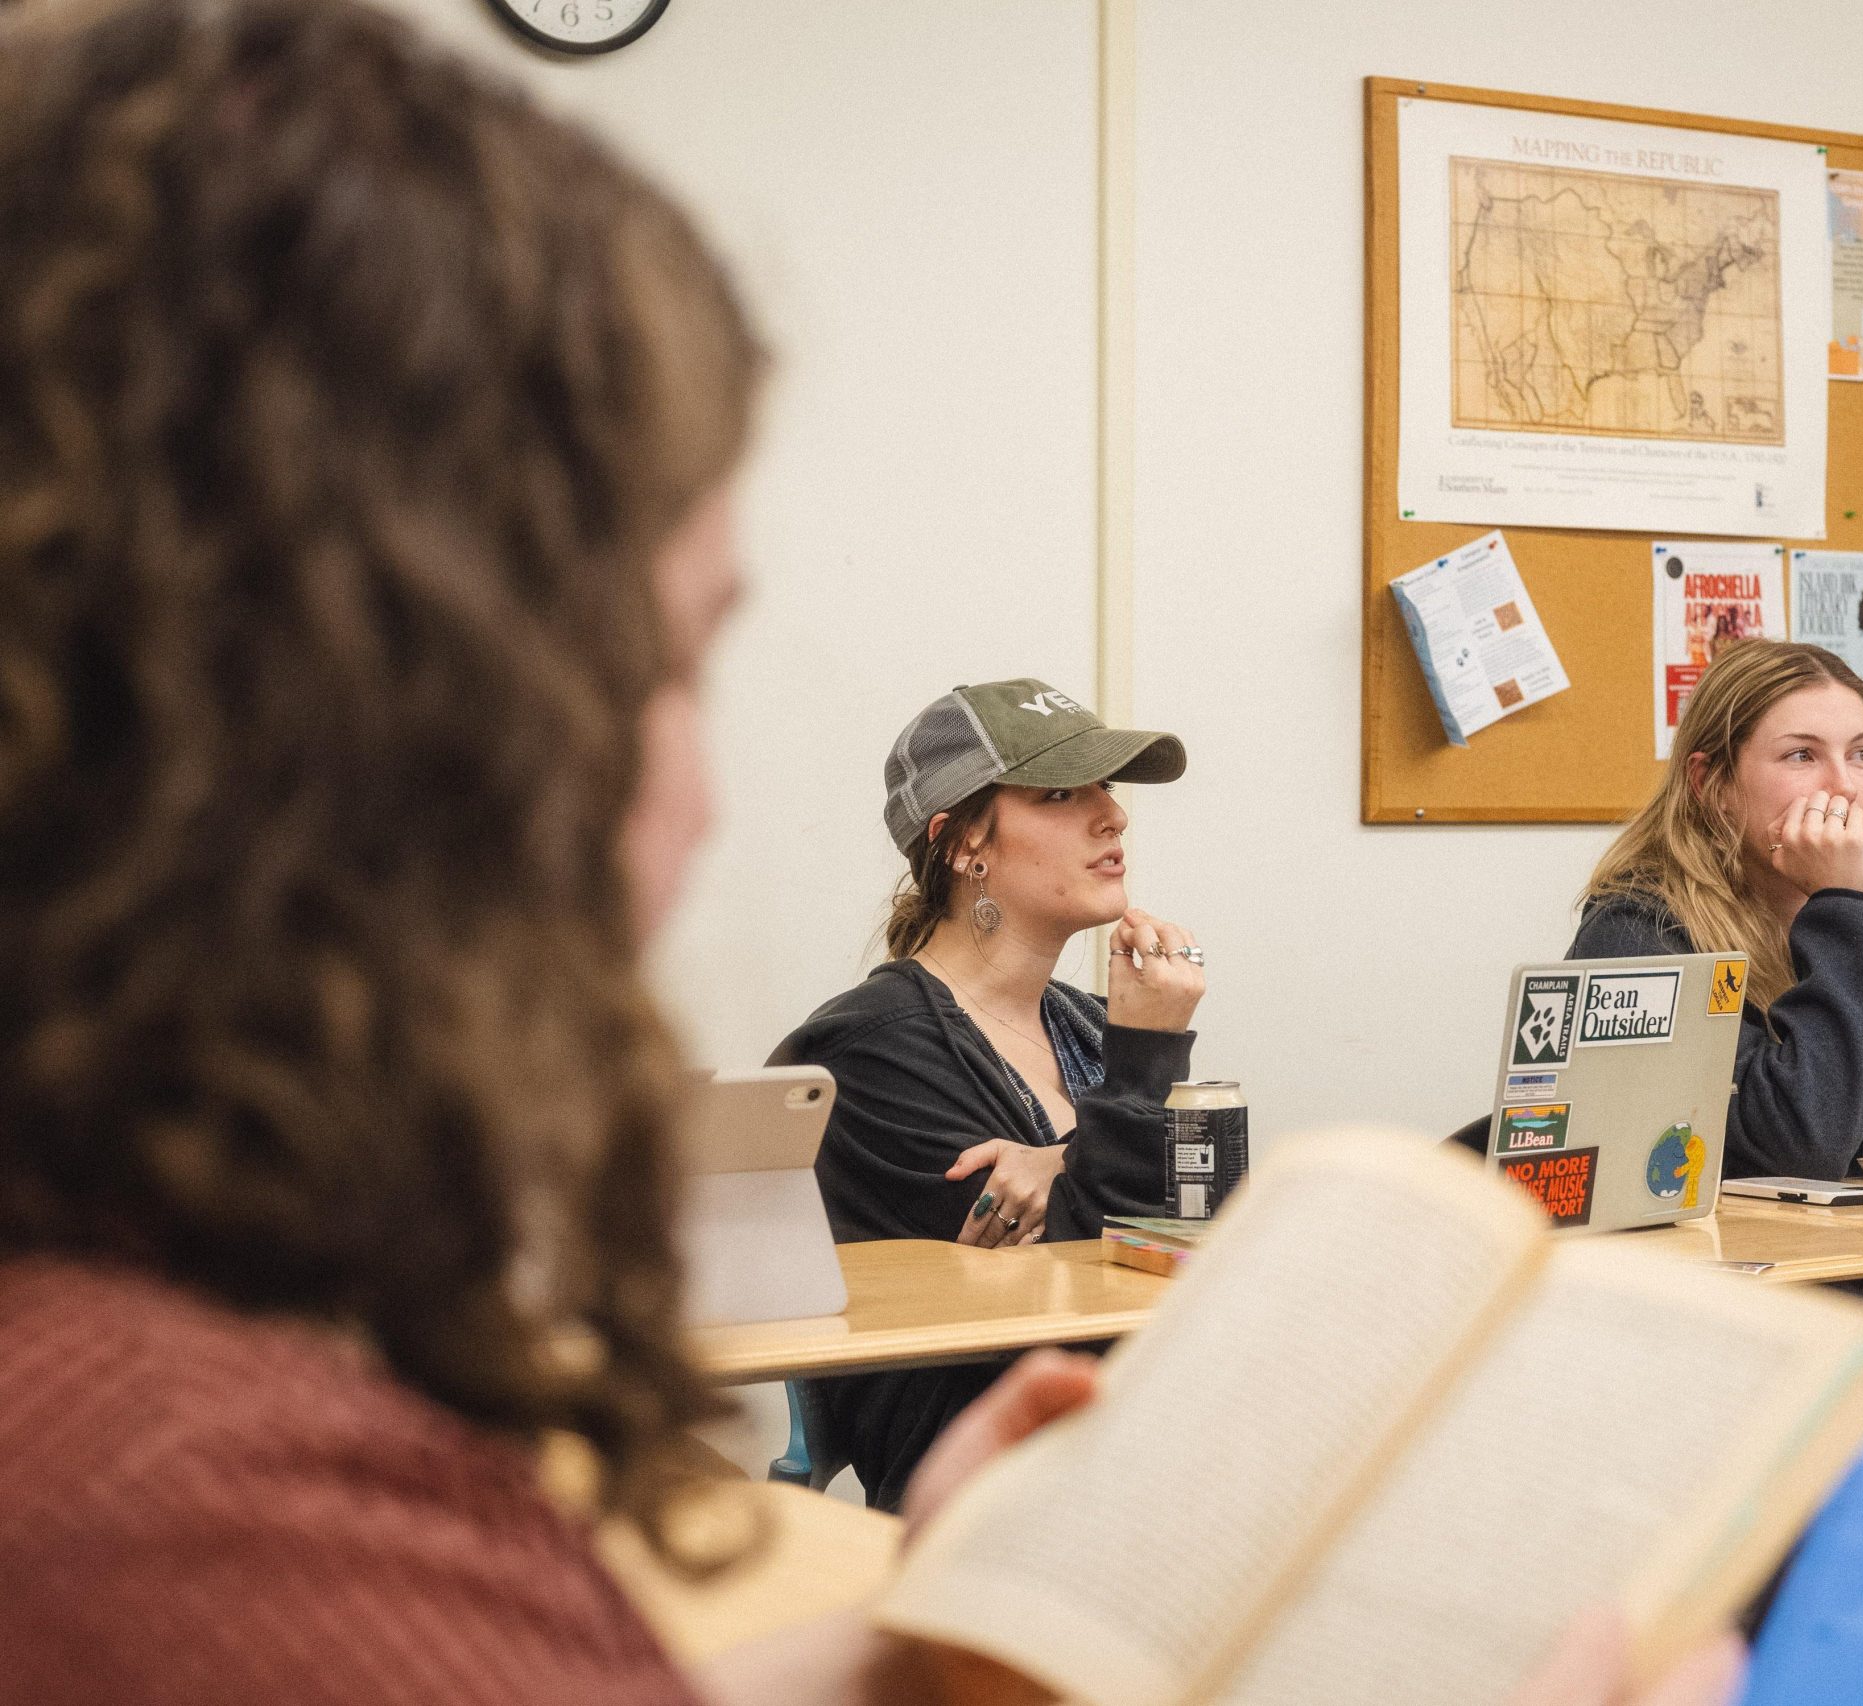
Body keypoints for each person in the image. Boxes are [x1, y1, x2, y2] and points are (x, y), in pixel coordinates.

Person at [0, 7, 1739, 1702]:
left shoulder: (157, 1395)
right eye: (653, 668)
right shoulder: (194, 1509)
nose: (695, 798)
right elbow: (1138, 1218)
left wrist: (917, 1645)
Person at [770, 680, 1208, 1508]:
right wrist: (1147, 1059)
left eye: (1107, 791)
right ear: (962, 843)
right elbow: (1071, 1305)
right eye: (1059, 794)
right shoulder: (870, 1051)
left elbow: (1190, 1230)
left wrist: (1062, 1157)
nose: (1113, 817)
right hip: (989, 1496)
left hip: (1137, 1454)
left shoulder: (1083, 1023)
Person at [1565, 640, 1863, 1179]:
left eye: (1862, 753)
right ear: (1711, 784)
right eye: (1802, 756)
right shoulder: (1638, 935)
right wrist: (1849, 910)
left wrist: (1855, 918)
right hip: (1700, 1259)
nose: (1847, 786)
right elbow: (1802, 1148)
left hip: (1853, 1256)